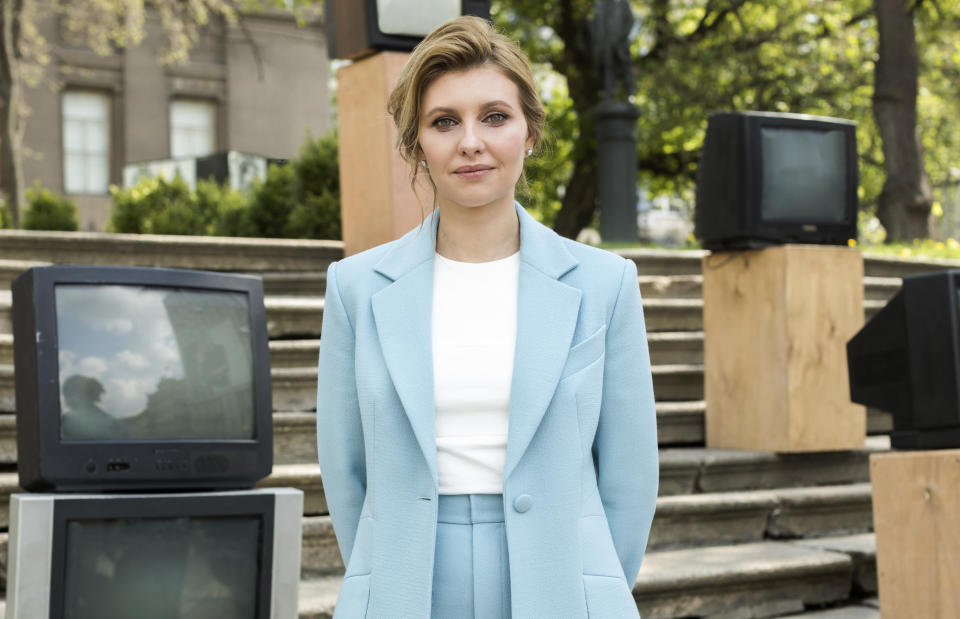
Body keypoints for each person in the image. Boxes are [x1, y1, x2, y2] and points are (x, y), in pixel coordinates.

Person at [316, 16, 658, 618]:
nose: (470, 141)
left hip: (564, 582)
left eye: (494, 117)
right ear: (417, 143)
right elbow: (344, 472)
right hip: (405, 584)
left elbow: (630, 476)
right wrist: (380, 575)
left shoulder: (606, 283)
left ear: (529, 133)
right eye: (444, 121)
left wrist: (594, 584)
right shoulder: (356, 287)